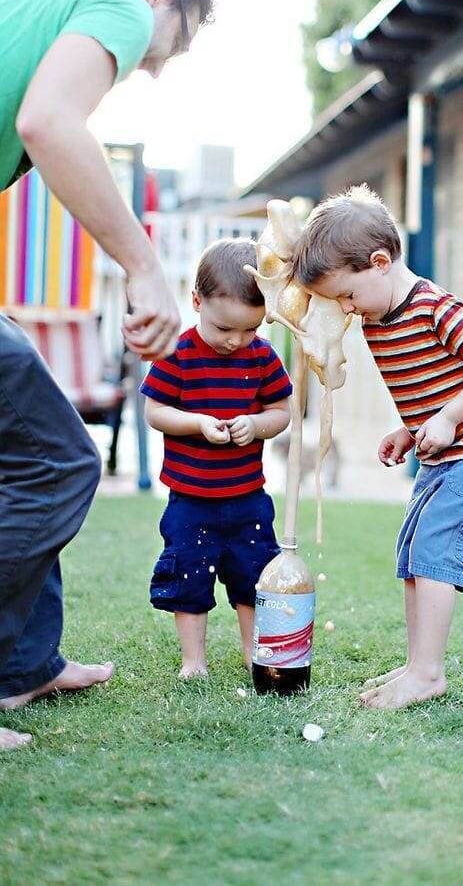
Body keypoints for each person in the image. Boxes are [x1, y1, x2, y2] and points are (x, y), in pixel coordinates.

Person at [0, 0, 212, 750]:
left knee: (30, 448)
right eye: (177, 42)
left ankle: (22, 664)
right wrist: (145, 266)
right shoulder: (115, 1)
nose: (155, 67)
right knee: (57, 458)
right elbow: (50, 122)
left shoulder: (39, 5)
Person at [292, 184, 463, 710]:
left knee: (436, 553)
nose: (346, 309)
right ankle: (419, 664)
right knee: (414, 552)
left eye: (347, 294)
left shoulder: (435, 305)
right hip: (442, 454)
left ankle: (428, 674)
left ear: (380, 262)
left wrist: (448, 417)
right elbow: (430, 380)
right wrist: (411, 427)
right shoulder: (377, 316)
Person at [141, 239, 292, 678]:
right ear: (196, 302)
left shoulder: (263, 356)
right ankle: (194, 661)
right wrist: (197, 423)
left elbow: (280, 412)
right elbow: (155, 411)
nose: (235, 341)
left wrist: (256, 424)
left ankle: (254, 652)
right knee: (188, 577)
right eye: (224, 328)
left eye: (249, 329)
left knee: (253, 577)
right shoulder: (177, 353)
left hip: (247, 497)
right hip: (191, 499)